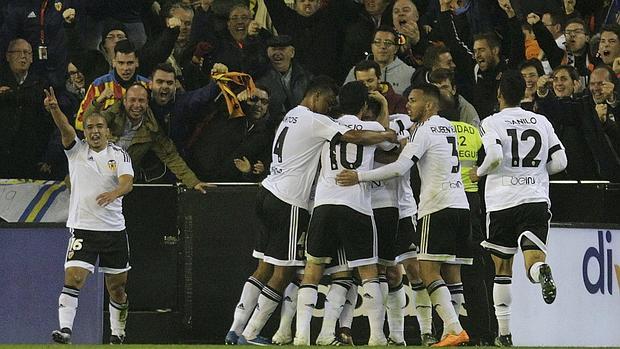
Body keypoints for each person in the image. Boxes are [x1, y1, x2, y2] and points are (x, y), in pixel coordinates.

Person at [225, 76, 396, 345]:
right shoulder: (319, 122)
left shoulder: (291, 115)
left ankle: (236, 329)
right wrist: (386, 132)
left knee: (266, 268)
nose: (329, 107)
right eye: (327, 101)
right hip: (292, 200)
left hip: (268, 190)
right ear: (315, 96)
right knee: (285, 273)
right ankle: (249, 333)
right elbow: (357, 138)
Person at [336, 83, 472, 347]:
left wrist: (359, 176)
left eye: (412, 100)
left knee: (429, 271)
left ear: (429, 105)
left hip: (438, 206)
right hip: (461, 204)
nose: (407, 105)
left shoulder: (424, 130)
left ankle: (454, 328)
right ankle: (448, 331)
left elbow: (400, 168)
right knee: (448, 272)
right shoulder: (450, 127)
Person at [469, 70, 567, 346]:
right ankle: (541, 273)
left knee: (502, 268)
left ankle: (505, 334)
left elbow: (496, 155)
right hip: (535, 199)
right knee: (533, 261)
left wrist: (479, 171)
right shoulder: (541, 121)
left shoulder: (491, 122)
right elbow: (560, 163)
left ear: (499, 94)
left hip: (502, 202)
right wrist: (536, 173)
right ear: (525, 92)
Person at [294, 81, 393, 346]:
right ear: (364, 105)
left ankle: (301, 335)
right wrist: (382, 107)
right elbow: (389, 143)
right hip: (356, 206)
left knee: (313, 270)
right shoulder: (373, 128)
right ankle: (377, 337)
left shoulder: (327, 127)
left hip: (324, 205)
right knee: (368, 273)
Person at [45, 86, 134, 344]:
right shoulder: (76, 151)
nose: (94, 131)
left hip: (114, 232)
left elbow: (128, 182)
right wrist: (55, 110)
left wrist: (114, 193)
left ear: (107, 131)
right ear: (85, 131)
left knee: (117, 289)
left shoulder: (119, 155)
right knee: (73, 278)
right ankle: (65, 331)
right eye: (90, 127)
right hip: (83, 228)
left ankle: (118, 334)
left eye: (99, 127)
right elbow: (65, 129)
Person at [84, 83, 211, 192]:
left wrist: (193, 182)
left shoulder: (152, 129)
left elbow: (170, 156)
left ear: (147, 103)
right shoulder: (112, 114)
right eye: (132, 100)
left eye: (141, 100)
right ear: (124, 101)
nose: (137, 105)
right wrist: (98, 101)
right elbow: (88, 123)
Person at [0, 38, 53, 179]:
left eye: (27, 53)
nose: (23, 56)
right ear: (7, 56)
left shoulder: (41, 84)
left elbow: (48, 124)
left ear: (32, 59)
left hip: (31, 157)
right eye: (18, 52)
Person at [76, 39, 150, 130]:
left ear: (137, 62)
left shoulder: (148, 86)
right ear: (114, 62)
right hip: (109, 140)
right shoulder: (99, 86)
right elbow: (79, 123)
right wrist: (99, 101)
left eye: (130, 63)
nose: (125, 68)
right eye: (121, 63)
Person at [256, 35, 313, 133]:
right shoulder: (259, 78)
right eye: (274, 49)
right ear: (267, 52)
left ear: (292, 52)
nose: (277, 53)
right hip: (269, 133)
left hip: (302, 130)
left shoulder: (307, 78)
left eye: (282, 49)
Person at [344, 26, 415, 95]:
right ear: (371, 46)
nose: (382, 46)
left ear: (396, 48)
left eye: (388, 43)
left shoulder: (409, 73)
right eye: (377, 42)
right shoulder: (357, 71)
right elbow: (344, 98)